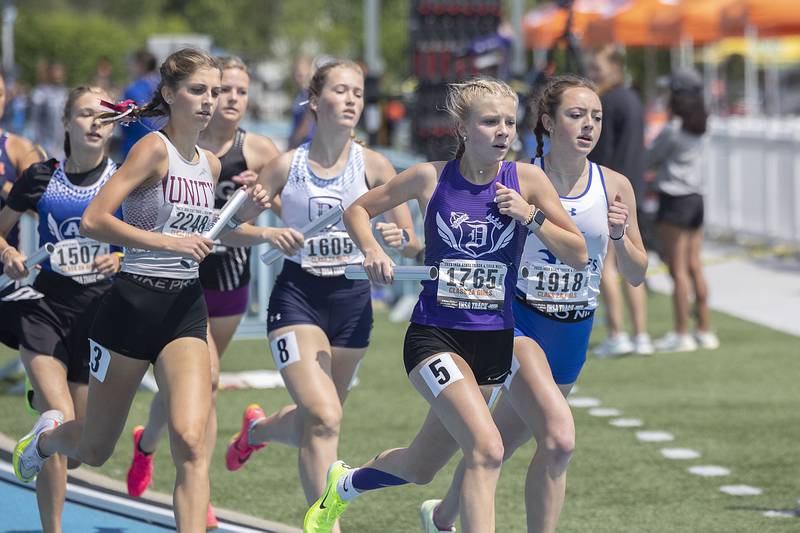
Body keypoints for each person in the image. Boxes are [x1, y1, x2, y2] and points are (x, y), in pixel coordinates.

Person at [302, 76, 587, 533]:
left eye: (510, 123)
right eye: (490, 122)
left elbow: (577, 253)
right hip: (435, 336)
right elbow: (357, 209)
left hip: (493, 340)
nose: (503, 132)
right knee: (487, 448)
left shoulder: (527, 181)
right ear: (462, 127)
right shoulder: (428, 177)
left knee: (421, 466)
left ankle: (345, 484)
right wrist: (372, 250)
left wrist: (530, 217)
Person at [11, 48, 269, 532]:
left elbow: (207, 234)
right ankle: (45, 441)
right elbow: (94, 220)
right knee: (93, 448)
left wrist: (245, 219)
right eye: (198, 90)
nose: (210, 101)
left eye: (215, 91)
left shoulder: (210, 165)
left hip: (184, 310)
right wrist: (167, 241)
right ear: (170, 94)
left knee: (191, 442)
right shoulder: (152, 149)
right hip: (130, 309)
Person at [420, 75, 648, 533]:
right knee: (560, 440)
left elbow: (637, 274)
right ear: (547, 121)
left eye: (596, 118)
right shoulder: (513, 175)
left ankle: (442, 516)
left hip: (572, 330)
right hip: (517, 324)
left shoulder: (615, 186)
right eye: (576, 115)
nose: (588, 126)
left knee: (501, 439)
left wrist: (620, 236)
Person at [223, 58, 422, 533]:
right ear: (315, 101)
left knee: (320, 422)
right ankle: (326, 526)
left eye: (357, 91)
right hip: (298, 299)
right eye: (340, 90)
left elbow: (413, 238)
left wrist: (397, 239)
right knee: (326, 415)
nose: (352, 99)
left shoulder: (373, 165)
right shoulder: (285, 166)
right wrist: (267, 236)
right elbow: (230, 230)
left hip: (352, 306)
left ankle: (257, 430)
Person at [124, 55, 282, 529]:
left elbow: (273, 209)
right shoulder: (172, 145)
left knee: (194, 386)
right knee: (207, 379)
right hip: (174, 277)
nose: (227, 100)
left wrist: (259, 201)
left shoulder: (257, 151)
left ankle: (147, 444)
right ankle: (200, 492)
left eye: (237, 91)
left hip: (228, 277)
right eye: (220, 89)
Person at [0, 85, 121, 533]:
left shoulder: (125, 179)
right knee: (57, 412)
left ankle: (44, 437)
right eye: (86, 114)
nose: (96, 123)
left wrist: (122, 256)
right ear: (67, 121)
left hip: (100, 316)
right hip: (45, 307)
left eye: (105, 116)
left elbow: (148, 245)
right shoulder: (39, 177)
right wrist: (8, 253)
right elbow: (0, 231)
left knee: (77, 447)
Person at [646, 69, 719, 352]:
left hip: (675, 199)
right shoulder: (704, 125)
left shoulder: (673, 129)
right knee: (695, 266)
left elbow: (650, 158)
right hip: (697, 198)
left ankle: (681, 332)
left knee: (677, 270)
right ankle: (704, 328)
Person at [588, 45, 653, 357]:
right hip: (632, 190)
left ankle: (618, 333)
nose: (593, 73)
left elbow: (602, 152)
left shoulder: (608, 101)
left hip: (609, 191)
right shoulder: (634, 98)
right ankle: (641, 334)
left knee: (606, 266)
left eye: (597, 67)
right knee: (633, 264)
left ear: (614, 66)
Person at [0, 74, 45, 294]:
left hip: (5, 267)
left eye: (0, 94)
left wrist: (3, 186)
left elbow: (42, 208)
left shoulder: (19, 148)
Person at [120, 50, 160, 159]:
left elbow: (128, 121)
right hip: (163, 149)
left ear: (141, 65)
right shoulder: (165, 87)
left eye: (132, 64)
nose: (130, 68)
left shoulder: (134, 90)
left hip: (136, 149)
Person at [30, 62, 69, 160]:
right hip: (46, 147)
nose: (58, 75)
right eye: (56, 72)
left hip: (62, 149)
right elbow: (34, 121)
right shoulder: (40, 94)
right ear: (50, 74)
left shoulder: (65, 93)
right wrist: (38, 144)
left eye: (61, 72)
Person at [288, 55, 316, 149]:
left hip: (306, 144)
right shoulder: (300, 94)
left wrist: (293, 142)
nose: (300, 79)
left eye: (303, 75)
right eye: (297, 75)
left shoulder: (308, 94)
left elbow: (307, 122)